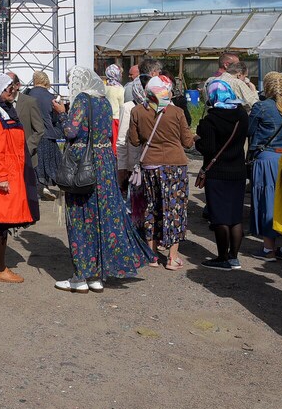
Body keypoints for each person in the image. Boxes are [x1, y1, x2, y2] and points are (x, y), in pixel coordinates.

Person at [55, 66, 154, 292]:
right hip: (104, 163)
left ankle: (81, 276)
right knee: (101, 216)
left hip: (84, 164)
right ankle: (97, 275)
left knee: (80, 217)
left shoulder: (81, 99)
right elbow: (107, 132)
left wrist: (61, 112)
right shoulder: (103, 101)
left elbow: (71, 131)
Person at [128, 77, 195, 270]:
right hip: (175, 165)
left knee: (152, 206)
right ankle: (172, 258)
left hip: (150, 165)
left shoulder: (137, 111)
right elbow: (188, 142)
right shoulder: (176, 112)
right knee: (175, 209)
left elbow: (133, 140)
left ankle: (152, 255)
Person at [0, 73, 33, 283]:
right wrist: (0, 175)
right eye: (8, 88)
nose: (13, 91)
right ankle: (0, 269)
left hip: (8, 172)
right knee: (1, 222)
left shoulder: (3, 111)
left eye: (13, 88)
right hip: (2, 174)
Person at [197, 79, 250, 269]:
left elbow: (208, 149)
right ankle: (234, 256)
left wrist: (198, 139)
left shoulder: (210, 120)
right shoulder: (242, 115)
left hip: (217, 173)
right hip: (237, 170)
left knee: (219, 216)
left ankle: (222, 257)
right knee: (235, 216)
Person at [248, 72, 282, 260]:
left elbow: (250, 130)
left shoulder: (260, 107)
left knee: (267, 201)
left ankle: (268, 248)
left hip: (267, 159)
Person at [7, 71, 46, 212]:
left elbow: (39, 129)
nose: (7, 88)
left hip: (26, 156)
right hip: (7, 156)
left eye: (10, 84)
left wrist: (27, 148)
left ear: (17, 85)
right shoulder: (1, 103)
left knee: (25, 190)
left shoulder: (29, 102)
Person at [27, 71, 66, 199]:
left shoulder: (28, 95)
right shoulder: (52, 98)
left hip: (32, 135)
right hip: (49, 134)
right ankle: (63, 185)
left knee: (36, 163)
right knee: (53, 162)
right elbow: (55, 119)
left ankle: (41, 186)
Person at [103, 65, 125, 148]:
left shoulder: (104, 88)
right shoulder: (120, 89)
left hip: (105, 119)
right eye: (121, 73)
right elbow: (122, 106)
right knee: (115, 145)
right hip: (116, 119)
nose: (121, 75)